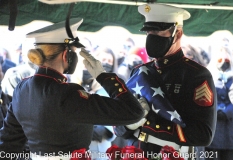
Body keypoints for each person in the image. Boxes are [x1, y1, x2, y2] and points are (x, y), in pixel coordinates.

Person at [0, 18, 144, 160]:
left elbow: (8, 143)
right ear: (65, 55)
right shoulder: (69, 93)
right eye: (74, 51)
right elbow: (133, 112)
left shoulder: (21, 89)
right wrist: (103, 76)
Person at [114, 3, 217, 159]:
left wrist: (147, 123)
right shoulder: (139, 71)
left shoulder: (196, 75)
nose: (151, 36)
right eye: (149, 31)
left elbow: (203, 135)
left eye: (158, 31)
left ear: (178, 33)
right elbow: (118, 127)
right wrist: (129, 123)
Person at [205, 42, 233, 160]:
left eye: (226, 56)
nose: (224, 59)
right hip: (214, 127)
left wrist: (227, 111)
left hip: (230, 127)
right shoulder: (208, 76)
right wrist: (216, 110)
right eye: (221, 56)